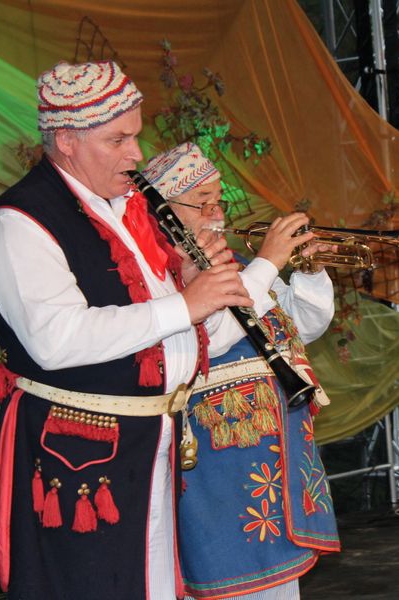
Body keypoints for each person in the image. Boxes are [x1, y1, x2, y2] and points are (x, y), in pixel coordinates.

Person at [0, 61, 256, 599]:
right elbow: (56, 339)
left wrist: (194, 284)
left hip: (152, 441)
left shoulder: (129, 208)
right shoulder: (18, 222)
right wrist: (185, 304)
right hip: (80, 454)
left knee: (153, 586)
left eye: (136, 136)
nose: (136, 154)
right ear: (67, 141)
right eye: (118, 139)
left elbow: (168, 326)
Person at [140, 143, 340, 599]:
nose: (216, 212)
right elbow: (211, 335)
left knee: (279, 585)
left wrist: (310, 273)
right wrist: (268, 264)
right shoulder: (162, 278)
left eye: (219, 200)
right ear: (165, 212)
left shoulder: (243, 267)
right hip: (219, 461)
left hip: (277, 455)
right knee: (236, 582)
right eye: (202, 201)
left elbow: (300, 327)